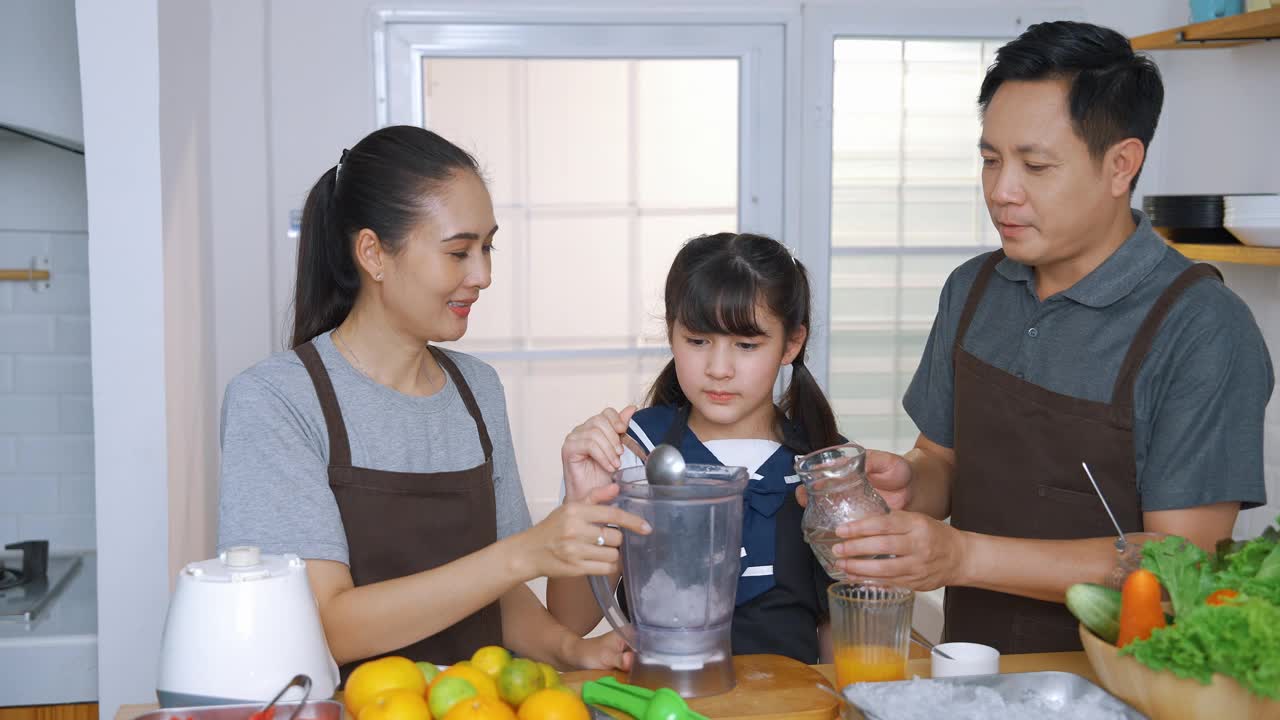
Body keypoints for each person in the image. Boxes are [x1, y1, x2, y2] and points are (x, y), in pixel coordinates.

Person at [814, 21, 1273, 654]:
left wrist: (962, 557)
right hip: (972, 670)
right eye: (990, 159)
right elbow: (943, 461)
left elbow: (1177, 569)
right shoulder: (973, 288)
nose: (1002, 191)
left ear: (1121, 166)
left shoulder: (1202, 328)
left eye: (1035, 165)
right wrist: (909, 486)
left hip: (1119, 685)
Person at [216, 125, 650, 674]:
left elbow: (498, 598)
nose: (484, 275)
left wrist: (575, 649)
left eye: (488, 247)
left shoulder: (476, 392)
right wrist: (524, 551)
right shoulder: (277, 400)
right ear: (373, 253)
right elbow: (325, 626)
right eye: (459, 251)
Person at [547, 232, 845, 664]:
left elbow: (838, 635)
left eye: (746, 345)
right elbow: (569, 620)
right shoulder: (630, 451)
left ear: (791, 344)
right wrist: (584, 505)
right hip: (660, 704)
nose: (718, 369)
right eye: (697, 341)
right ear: (671, 333)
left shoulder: (823, 465)